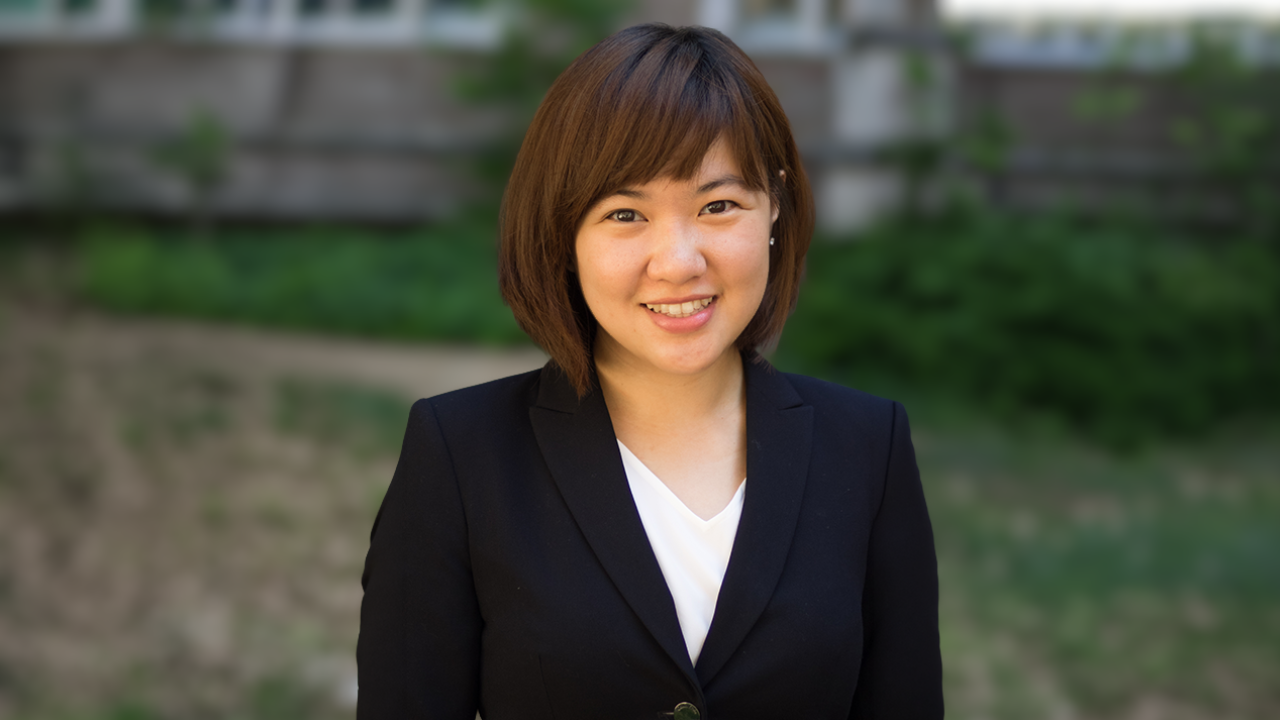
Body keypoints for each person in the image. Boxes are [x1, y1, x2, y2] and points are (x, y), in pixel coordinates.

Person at [357, 23, 942, 720]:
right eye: (626, 213)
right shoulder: (460, 454)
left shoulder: (868, 449)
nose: (678, 260)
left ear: (776, 205)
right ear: (563, 236)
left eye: (717, 206)